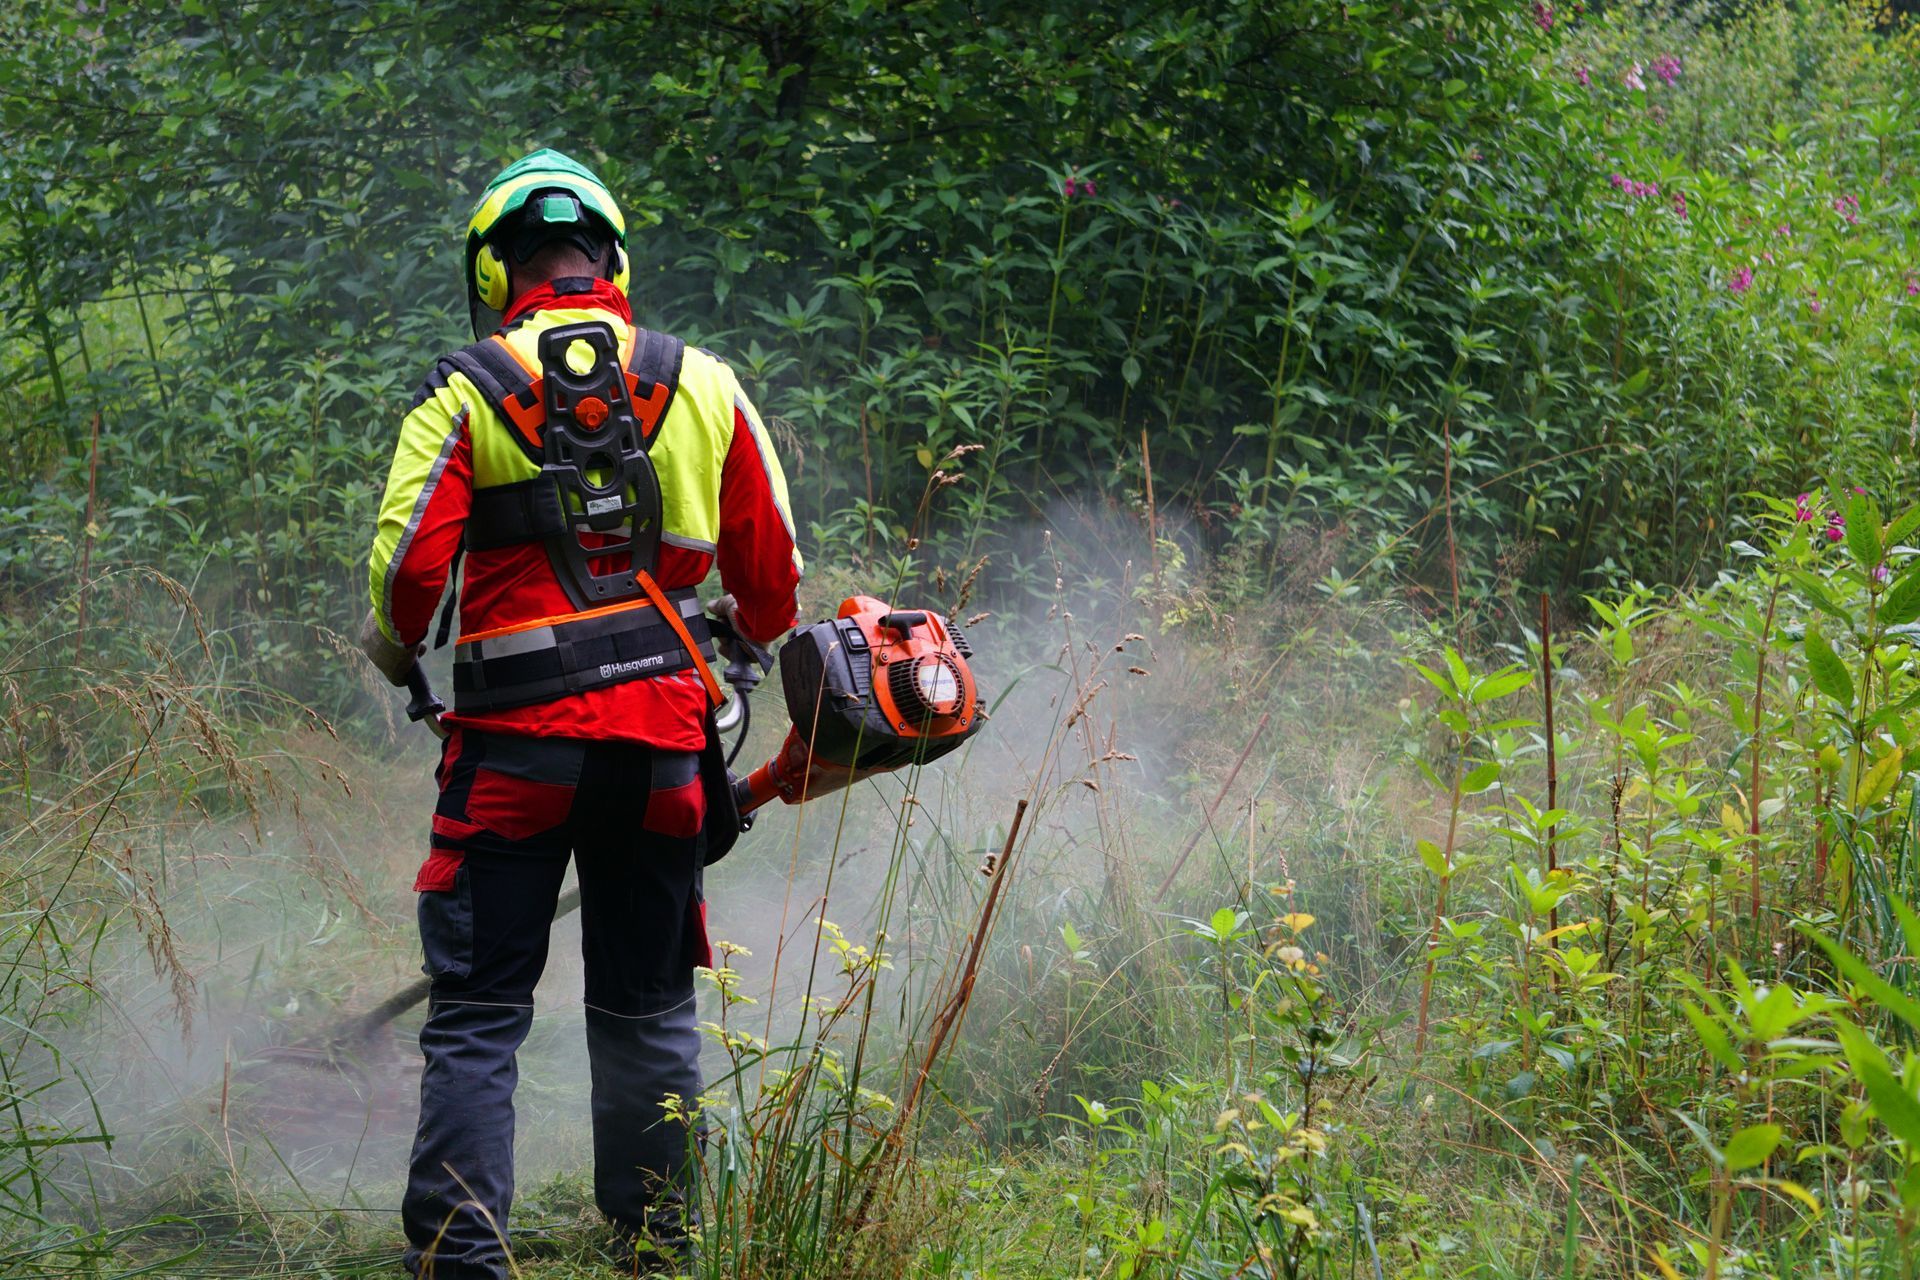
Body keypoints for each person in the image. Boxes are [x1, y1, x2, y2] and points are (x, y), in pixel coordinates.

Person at [359, 148, 802, 1279]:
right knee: (647, 1012)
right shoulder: (706, 381)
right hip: (663, 757)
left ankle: (464, 1260)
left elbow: (410, 576)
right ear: (611, 258)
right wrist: (742, 634)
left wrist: (399, 651)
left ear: (497, 272)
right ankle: (655, 1249)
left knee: (477, 1018)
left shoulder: (463, 386)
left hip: (513, 760)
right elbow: (774, 578)